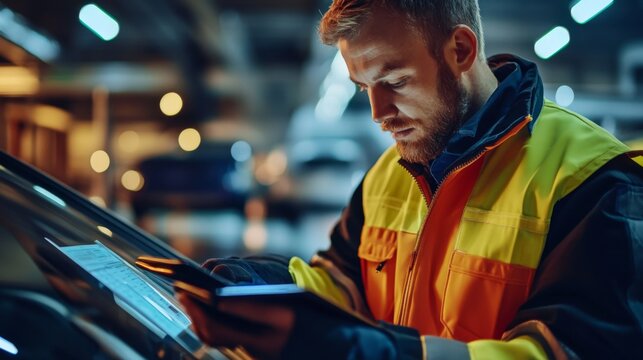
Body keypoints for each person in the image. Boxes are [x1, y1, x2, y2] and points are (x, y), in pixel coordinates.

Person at [178, 0, 643, 359]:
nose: (378, 114)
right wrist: (262, 284)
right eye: (365, 89)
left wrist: (382, 353)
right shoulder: (388, 173)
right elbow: (343, 284)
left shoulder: (593, 180)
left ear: (460, 50)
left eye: (395, 82)